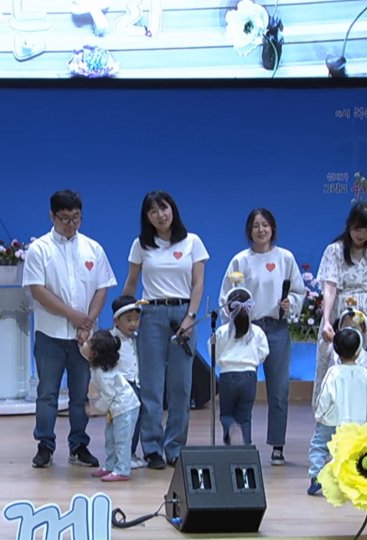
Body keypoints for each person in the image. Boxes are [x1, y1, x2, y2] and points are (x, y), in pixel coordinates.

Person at [22, 189, 116, 469]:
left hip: (83, 338)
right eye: (64, 218)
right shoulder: (39, 249)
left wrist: (88, 322)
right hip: (50, 335)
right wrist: (72, 315)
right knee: (47, 394)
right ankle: (45, 446)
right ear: (51, 216)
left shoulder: (93, 248)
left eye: (76, 218)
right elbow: (37, 290)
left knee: (80, 395)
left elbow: (102, 288)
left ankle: (79, 445)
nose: (71, 224)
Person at [122, 191, 207, 469]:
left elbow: (198, 284)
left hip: (183, 315)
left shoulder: (192, 242)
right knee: (151, 386)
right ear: (146, 217)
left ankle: (175, 447)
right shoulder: (140, 245)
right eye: (153, 211)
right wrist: (122, 313)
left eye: (164, 208)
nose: (160, 215)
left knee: (181, 387)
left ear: (173, 209)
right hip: (151, 316)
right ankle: (152, 448)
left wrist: (190, 317)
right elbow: (131, 283)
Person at [219, 208, 304, 464]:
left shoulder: (285, 258)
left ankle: (277, 445)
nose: (261, 230)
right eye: (255, 225)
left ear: (272, 228)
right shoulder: (240, 260)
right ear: (249, 230)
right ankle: (240, 442)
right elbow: (226, 297)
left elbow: (298, 291)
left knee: (278, 390)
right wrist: (233, 326)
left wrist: (291, 304)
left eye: (265, 224)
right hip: (248, 330)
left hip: (276, 328)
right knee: (243, 387)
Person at [314, 202, 367, 407]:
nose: (362, 234)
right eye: (358, 229)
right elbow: (330, 287)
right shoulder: (335, 250)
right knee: (338, 360)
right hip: (342, 311)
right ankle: (333, 410)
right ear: (349, 225)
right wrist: (327, 320)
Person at [307, 328, 367, 496]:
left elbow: (324, 396)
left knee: (319, 447)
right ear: (358, 352)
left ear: (336, 350)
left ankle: (316, 476)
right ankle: (351, 479)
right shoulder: (366, 374)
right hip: (356, 422)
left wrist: (319, 415)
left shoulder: (333, 372)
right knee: (353, 450)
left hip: (331, 420)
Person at [213, 286, 269, 446]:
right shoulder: (257, 331)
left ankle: (230, 430)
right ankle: (245, 445)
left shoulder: (222, 331)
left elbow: (213, 351)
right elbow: (264, 352)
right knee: (245, 416)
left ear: (227, 309)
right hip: (249, 376)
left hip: (227, 375)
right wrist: (254, 361)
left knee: (226, 413)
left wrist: (220, 361)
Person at [82, 329, 140, 483]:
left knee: (121, 440)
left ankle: (122, 470)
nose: (86, 343)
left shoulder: (104, 373)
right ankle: (110, 465)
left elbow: (109, 394)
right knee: (110, 438)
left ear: (95, 353)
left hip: (125, 408)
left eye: (89, 342)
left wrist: (96, 409)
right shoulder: (97, 365)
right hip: (115, 410)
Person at [108, 294, 145, 468]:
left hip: (135, 385)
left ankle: (130, 453)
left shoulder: (137, 339)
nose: (133, 324)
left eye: (136, 319)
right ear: (116, 320)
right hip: (120, 388)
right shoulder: (111, 340)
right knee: (120, 425)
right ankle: (118, 456)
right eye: (128, 320)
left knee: (135, 423)